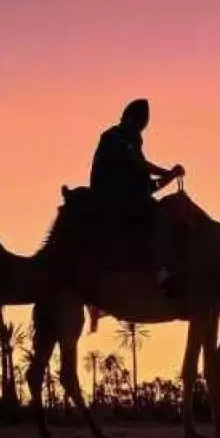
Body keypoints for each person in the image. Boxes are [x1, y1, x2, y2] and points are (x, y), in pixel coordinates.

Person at [89, 98, 185, 292]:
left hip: (131, 197)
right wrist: (168, 172)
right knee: (160, 218)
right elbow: (136, 163)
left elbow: (149, 186)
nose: (140, 129)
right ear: (129, 119)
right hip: (112, 198)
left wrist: (170, 177)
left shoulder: (132, 144)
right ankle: (160, 271)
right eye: (140, 123)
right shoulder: (113, 138)